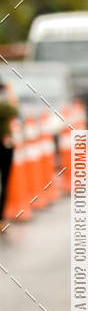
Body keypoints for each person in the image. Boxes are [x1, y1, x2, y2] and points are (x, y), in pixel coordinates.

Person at [0, 80, 17, 232]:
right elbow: (15, 110)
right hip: (4, 146)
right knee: (4, 182)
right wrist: (9, 91)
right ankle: (1, 219)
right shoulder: (3, 106)